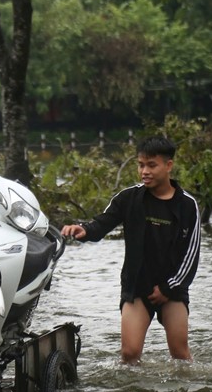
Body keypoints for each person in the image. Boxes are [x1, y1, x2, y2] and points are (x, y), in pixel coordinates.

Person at [61, 136, 201, 365]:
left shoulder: (187, 205)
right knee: (129, 354)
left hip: (172, 288)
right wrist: (83, 230)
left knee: (180, 355)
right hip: (137, 286)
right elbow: (102, 223)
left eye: (151, 165)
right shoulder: (129, 198)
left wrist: (168, 288)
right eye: (140, 165)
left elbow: (191, 256)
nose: (144, 171)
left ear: (168, 166)